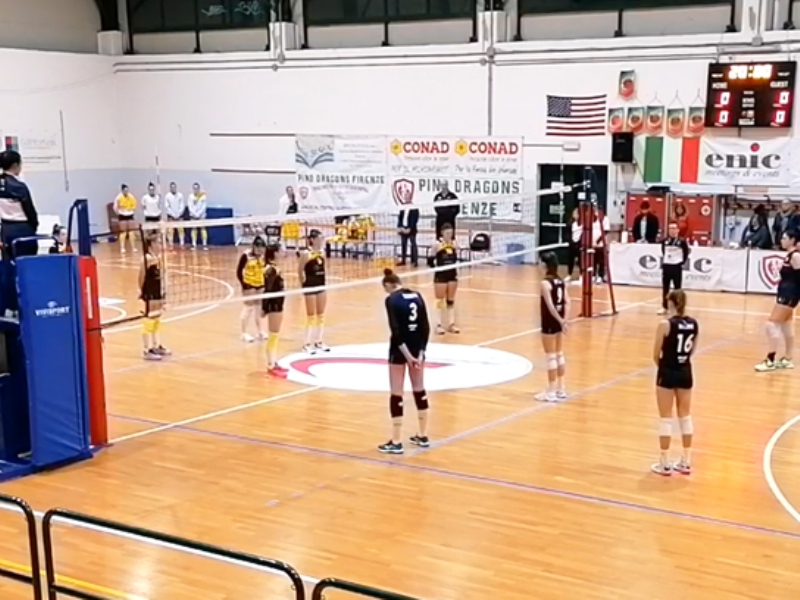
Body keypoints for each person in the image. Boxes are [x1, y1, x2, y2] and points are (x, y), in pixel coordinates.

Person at [379, 268, 431, 455]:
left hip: (400, 350)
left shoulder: (391, 300)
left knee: (397, 393)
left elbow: (396, 331)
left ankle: (396, 441)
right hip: (417, 347)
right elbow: (425, 327)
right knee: (419, 389)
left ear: (388, 285)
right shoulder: (417, 296)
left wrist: (407, 356)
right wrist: (420, 353)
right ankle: (423, 435)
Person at [652, 289, 698, 476]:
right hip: (685, 371)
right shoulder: (694, 324)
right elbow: (692, 351)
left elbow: (656, 354)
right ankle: (686, 461)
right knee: (685, 416)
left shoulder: (665, 324)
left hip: (667, 371)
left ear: (670, 303)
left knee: (666, 417)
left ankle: (664, 463)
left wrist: (665, 367)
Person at [755, 229, 800, 372]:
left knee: (771, 324)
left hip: (789, 295)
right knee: (787, 325)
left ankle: (770, 359)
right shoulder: (790, 255)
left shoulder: (795, 256)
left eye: (785, 238)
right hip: (787, 293)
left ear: (792, 240)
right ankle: (787, 358)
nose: (781, 240)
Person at [0, 151, 39, 314]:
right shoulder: (19, 187)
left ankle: (9, 306)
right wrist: (34, 227)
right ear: (16, 165)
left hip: (5, 230)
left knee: (8, 268)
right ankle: (27, 304)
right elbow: (30, 212)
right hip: (22, 229)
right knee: (26, 267)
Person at [536, 252, 570, 402]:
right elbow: (568, 302)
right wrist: (564, 320)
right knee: (559, 354)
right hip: (559, 319)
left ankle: (550, 391)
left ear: (545, 265)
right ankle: (561, 388)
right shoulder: (561, 281)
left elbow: (550, 305)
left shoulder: (545, 283)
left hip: (550, 320)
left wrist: (560, 320)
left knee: (550, 356)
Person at [139, 232, 170, 361]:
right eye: (158, 242)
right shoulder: (146, 258)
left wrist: (164, 292)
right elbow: (141, 277)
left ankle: (156, 345)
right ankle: (147, 349)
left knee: (156, 318)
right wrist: (142, 291)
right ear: (151, 244)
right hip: (150, 292)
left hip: (158, 292)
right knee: (149, 319)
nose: (160, 245)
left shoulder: (157, 257)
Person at [298, 229, 328, 353]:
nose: (321, 241)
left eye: (322, 239)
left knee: (321, 315)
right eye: (319, 239)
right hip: (310, 286)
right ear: (312, 240)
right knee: (311, 316)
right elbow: (300, 270)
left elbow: (324, 268)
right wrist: (303, 285)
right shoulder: (306, 254)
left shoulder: (322, 252)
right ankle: (306, 344)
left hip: (321, 285)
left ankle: (318, 342)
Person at [262, 244, 287, 377]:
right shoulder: (270, 269)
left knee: (275, 335)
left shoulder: (275, 268)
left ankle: (274, 362)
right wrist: (265, 308)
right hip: (274, 305)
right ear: (275, 253)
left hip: (278, 303)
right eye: (281, 250)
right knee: (273, 335)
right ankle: (271, 365)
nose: (284, 252)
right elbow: (268, 290)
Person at [236, 236, 267, 343]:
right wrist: (243, 284)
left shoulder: (264, 256)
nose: (260, 250)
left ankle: (260, 331)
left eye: (262, 248)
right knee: (248, 308)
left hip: (261, 284)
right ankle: (244, 333)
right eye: (258, 247)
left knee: (259, 308)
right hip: (249, 284)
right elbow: (239, 271)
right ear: (253, 246)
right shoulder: (246, 255)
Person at [432, 222, 459, 334]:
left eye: (451, 233)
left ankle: (451, 324)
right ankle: (438, 325)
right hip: (441, 275)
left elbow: (456, 255)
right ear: (442, 233)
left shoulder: (454, 243)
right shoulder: (437, 244)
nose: (449, 235)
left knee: (450, 300)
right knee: (439, 300)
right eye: (447, 233)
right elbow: (430, 260)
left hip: (452, 274)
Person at [658, 222, 690, 315]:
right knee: (665, 288)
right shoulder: (665, 241)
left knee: (677, 288)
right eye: (670, 228)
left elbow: (686, 253)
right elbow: (663, 251)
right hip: (667, 266)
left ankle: (678, 308)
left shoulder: (682, 241)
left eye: (674, 228)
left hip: (677, 267)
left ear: (677, 230)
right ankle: (665, 307)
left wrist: (681, 263)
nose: (672, 230)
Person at [114, 184, 137, 253]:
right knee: (123, 232)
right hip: (122, 216)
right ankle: (122, 248)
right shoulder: (118, 198)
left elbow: (134, 205)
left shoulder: (131, 196)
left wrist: (131, 210)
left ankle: (133, 247)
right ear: (122, 190)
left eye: (127, 190)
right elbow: (115, 208)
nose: (126, 192)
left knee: (131, 232)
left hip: (130, 215)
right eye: (125, 190)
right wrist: (120, 212)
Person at [187, 182, 208, 250]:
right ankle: (194, 244)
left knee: (203, 229)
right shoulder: (190, 196)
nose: (196, 190)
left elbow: (204, 206)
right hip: (193, 216)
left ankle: (204, 244)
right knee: (194, 229)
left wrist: (199, 214)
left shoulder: (203, 196)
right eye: (194, 188)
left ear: (199, 189)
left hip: (201, 216)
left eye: (197, 188)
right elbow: (190, 206)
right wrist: (194, 214)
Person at [164, 182, 186, 248]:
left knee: (181, 230)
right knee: (170, 231)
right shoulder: (167, 196)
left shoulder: (180, 195)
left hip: (179, 216)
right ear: (170, 188)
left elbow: (182, 205)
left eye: (174, 187)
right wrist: (173, 214)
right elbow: (167, 207)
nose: (173, 188)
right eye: (172, 187)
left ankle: (182, 244)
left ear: (176, 188)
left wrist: (179, 213)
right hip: (171, 217)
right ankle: (171, 245)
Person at [567, 207, 582, 283]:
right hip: (572, 243)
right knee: (570, 260)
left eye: (576, 213)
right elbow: (569, 233)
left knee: (580, 260)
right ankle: (569, 275)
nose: (574, 215)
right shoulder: (571, 223)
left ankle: (581, 276)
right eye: (573, 213)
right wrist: (570, 241)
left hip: (580, 244)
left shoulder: (583, 223)